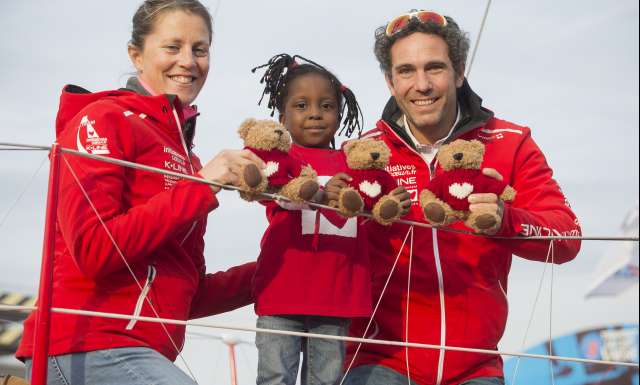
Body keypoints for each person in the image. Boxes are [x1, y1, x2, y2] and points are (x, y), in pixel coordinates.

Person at [16, 1, 264, 384]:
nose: (188, 61)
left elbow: (188, 293)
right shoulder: (102, 119)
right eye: (172, 47)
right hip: (81, 347)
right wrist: (201, 187)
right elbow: (93, 250)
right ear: (136, 54)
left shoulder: (188, 158)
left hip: (142, 354)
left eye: (200, 49)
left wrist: (276, 270)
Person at [342, 10, 582, 385]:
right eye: (406, 71)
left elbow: (568, 239)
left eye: (434, 68)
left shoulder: (511, 142)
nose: (421, 85)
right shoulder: (361, 153)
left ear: (458, 72)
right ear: (390, 81)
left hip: (475, 368)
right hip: (377, 361)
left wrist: (507, 220)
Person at [250, 54, 411, 385]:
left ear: (341, 113)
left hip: (338, 295)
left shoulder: (355, 161)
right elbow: (270, 191)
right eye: (301, 105)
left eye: (326, 106)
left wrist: (392, 202)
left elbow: (377, 199)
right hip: (283, 289)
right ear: (282, 116)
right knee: (274, 376)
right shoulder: (282, 159)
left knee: (327, 379)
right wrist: (321, 192)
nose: (314, 114)